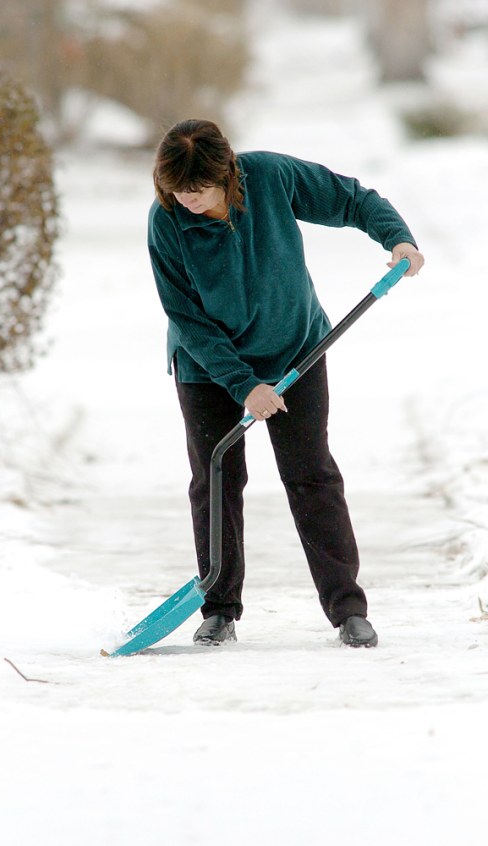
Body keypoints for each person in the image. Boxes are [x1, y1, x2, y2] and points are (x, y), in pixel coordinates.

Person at [147, 119, 424, 648]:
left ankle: (347, 609)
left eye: (198, 190)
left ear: (226, 174)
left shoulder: (270, 177)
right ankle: (220, 608)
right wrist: (242, 384)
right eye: (177, 190)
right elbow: (185, 315)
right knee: (217, 479)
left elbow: (351, 199)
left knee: (311, 474)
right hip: (208, 368)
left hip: (297, 348)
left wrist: (399, 239)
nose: (187, 200)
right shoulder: (166, 224)